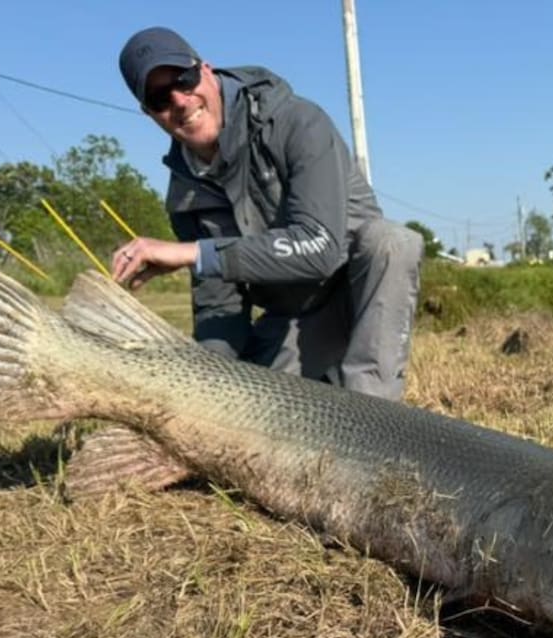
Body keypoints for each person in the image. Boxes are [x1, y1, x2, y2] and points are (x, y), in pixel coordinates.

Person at [113, 27, 422, 401]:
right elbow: (219, 306)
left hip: (358, 297)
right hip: (295, 318)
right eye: (160, 98)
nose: (179, 100)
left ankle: (372, 411)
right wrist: (211, 388)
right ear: (149, 113)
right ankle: (322, 382)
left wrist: (193, 253)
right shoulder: (185, 196)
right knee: (249, 402)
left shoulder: (298, 122)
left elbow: (320, 248)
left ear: (206, 70)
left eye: (184, 79)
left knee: (392, 242)